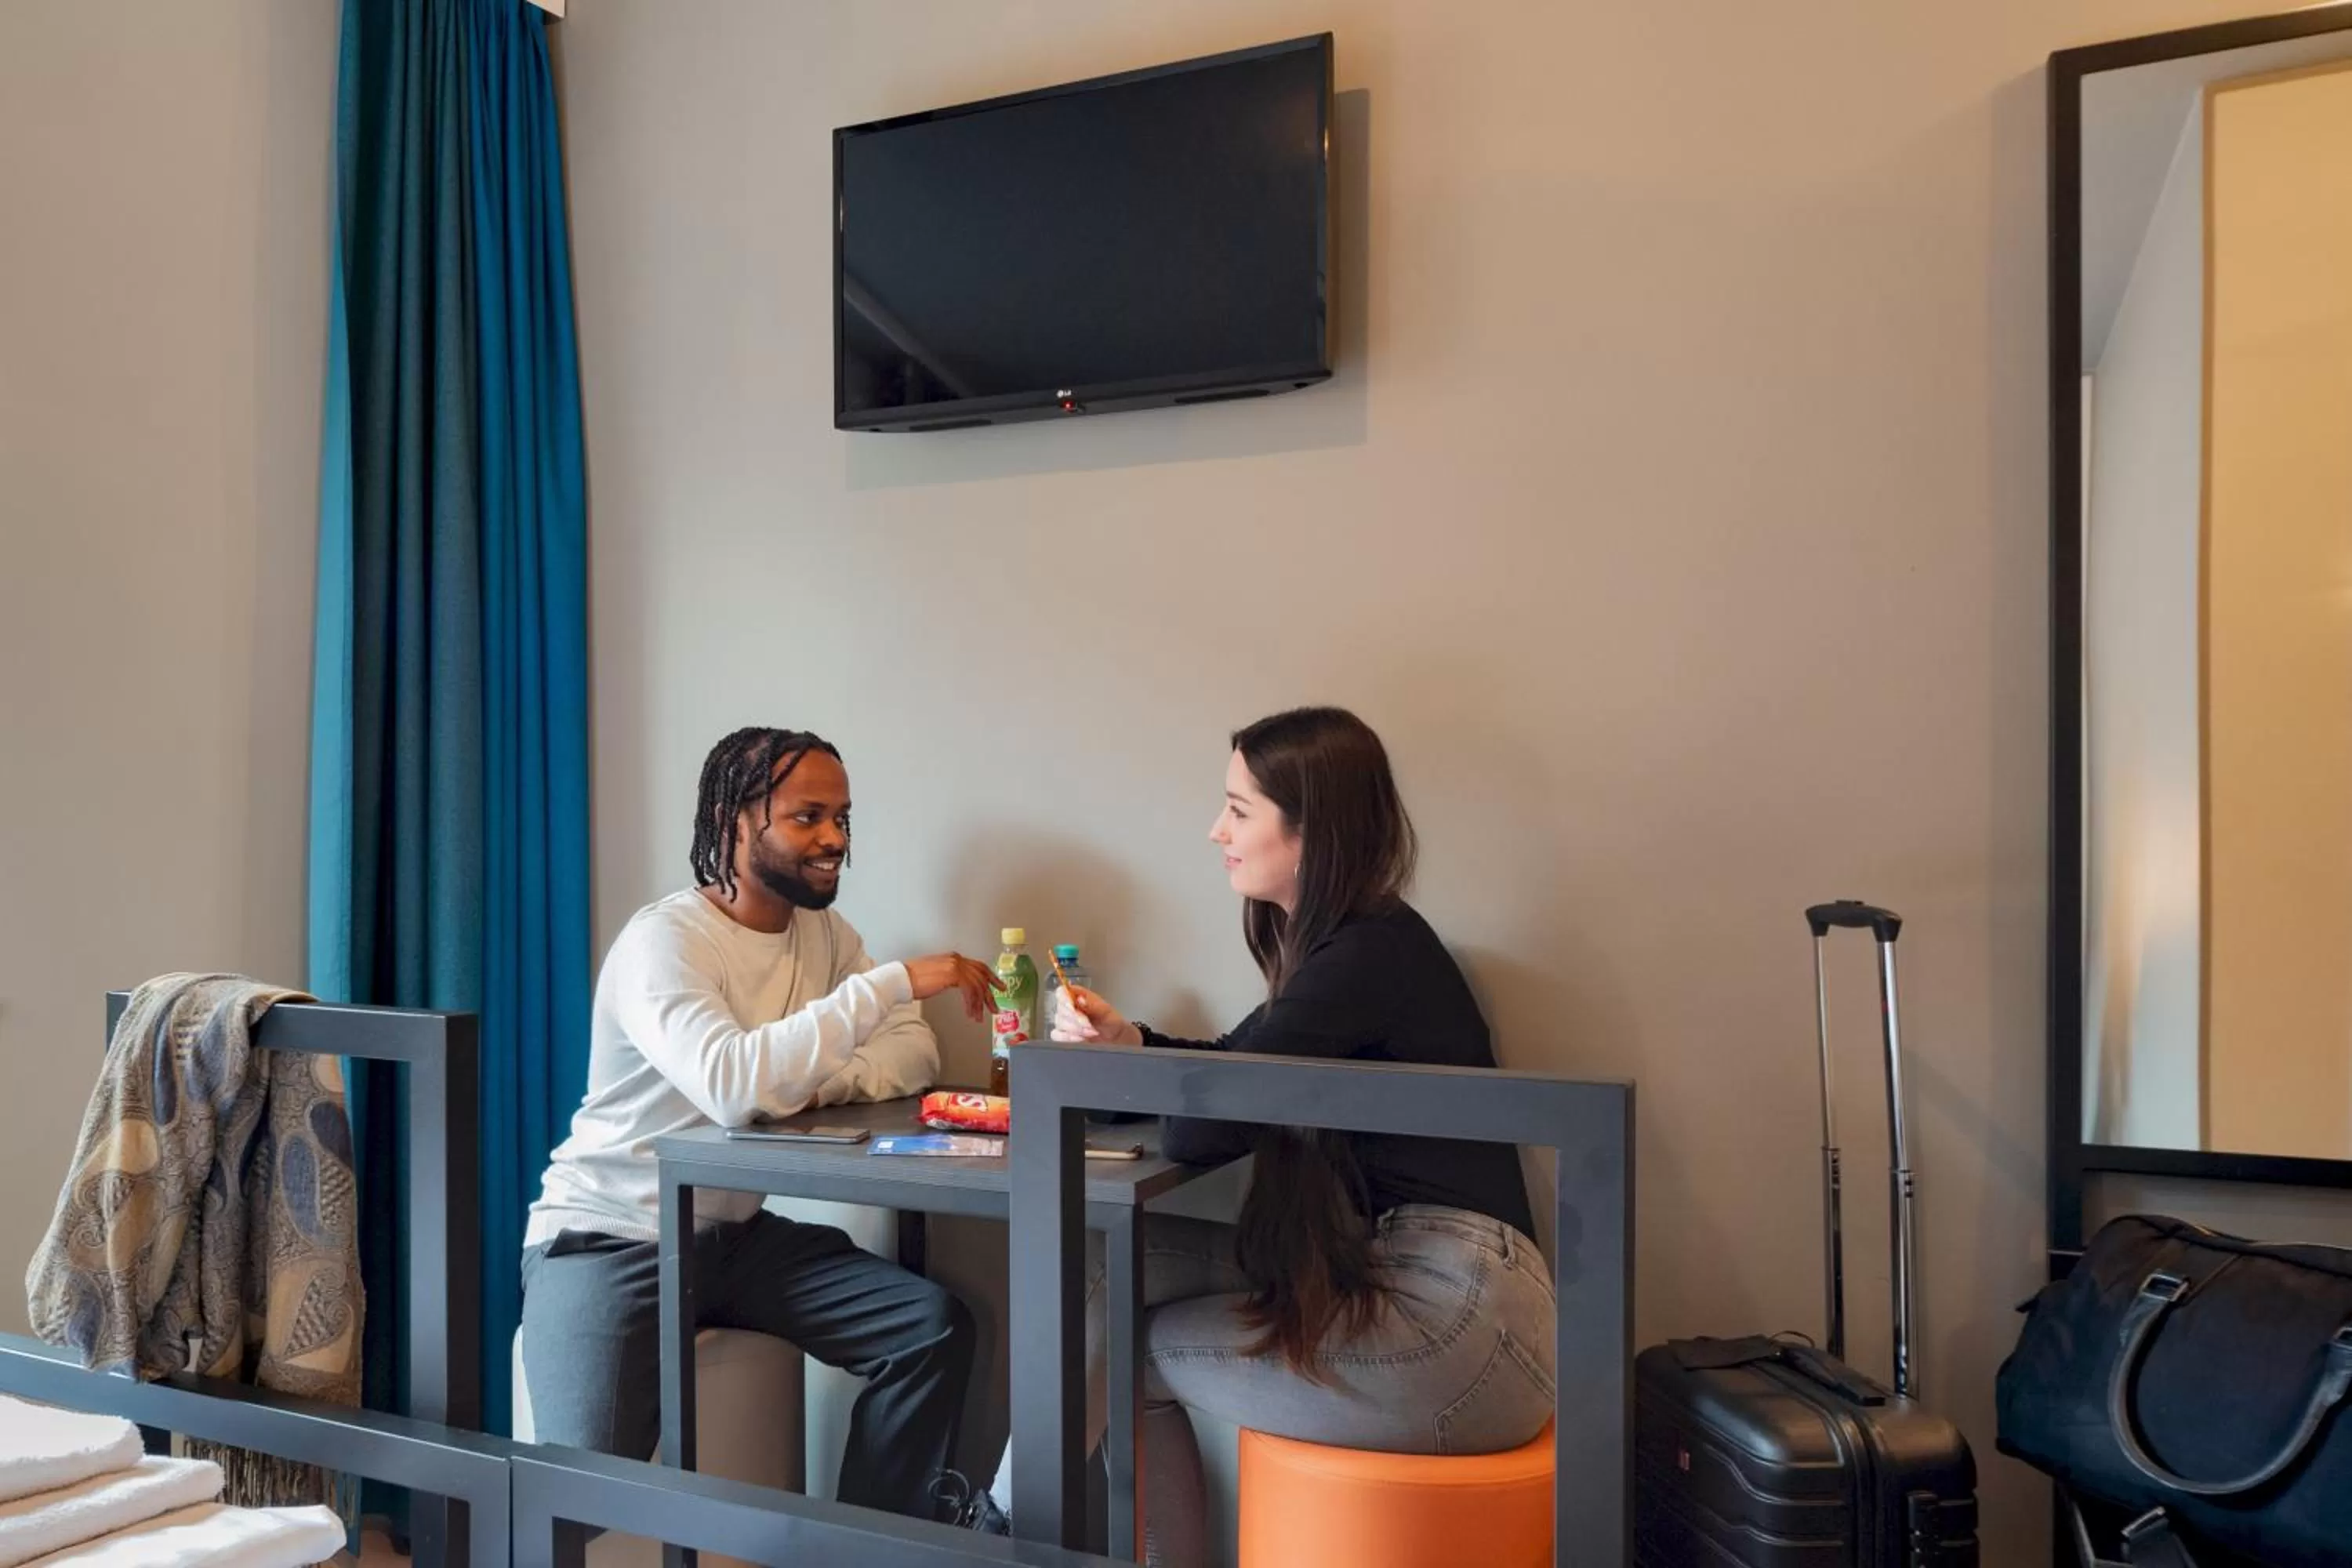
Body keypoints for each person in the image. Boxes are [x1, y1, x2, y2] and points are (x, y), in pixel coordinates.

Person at [958, 707, 1555, 1565]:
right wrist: (1133, 1046)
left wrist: (1155, 1074)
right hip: (1405, 1278)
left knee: (1127, 1346)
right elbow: (1235, 1070)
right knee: (1107, 1266)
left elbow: (1205, 1122)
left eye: (1238, 809)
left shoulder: (1364, 956)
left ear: (1312, 828)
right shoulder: (1351, 948)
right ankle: (999, 1529)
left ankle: (992, 1539)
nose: (1216, 830)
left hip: (1459, 1327)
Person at [520, 726, 1001, 1523]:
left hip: (733, 1237)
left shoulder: (823, 936)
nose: (834, 839)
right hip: (612, 1232)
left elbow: (912, 1050)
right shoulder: (664, 941)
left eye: (843, 817)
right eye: (808, 816)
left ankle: (855, 1551)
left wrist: (813, 1083)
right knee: (576, 1499)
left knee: (929, 1327)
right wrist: (887, 985)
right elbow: (733, 1084)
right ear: (735, 822)